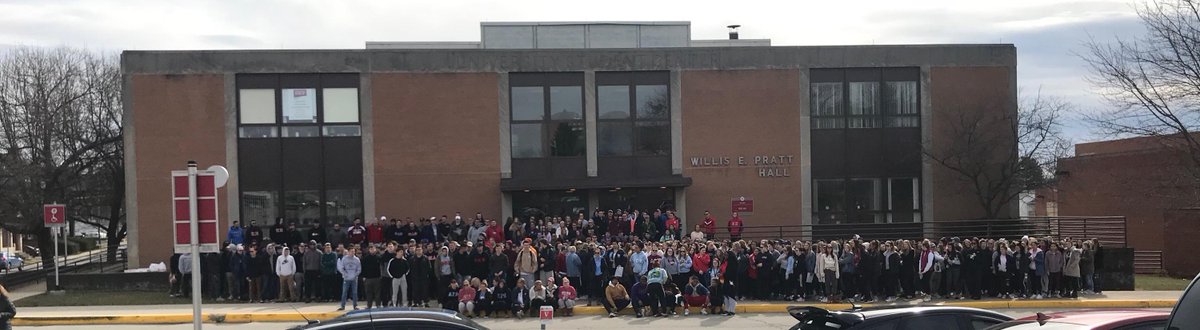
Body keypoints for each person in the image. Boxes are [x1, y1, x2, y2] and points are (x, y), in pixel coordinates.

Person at [336, 247, 361, 311]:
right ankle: (342, 306)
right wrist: (345, 274)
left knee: (354, 292)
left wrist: (355, 275)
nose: (353, 253)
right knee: (344, 292)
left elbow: (359, 269)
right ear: (349, 252)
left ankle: (355, 306)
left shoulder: (357, 259)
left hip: (354, 279)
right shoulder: (344, 259)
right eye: (351, 251)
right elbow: (341, 268)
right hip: (346, 278)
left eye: (354, 251)